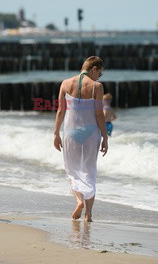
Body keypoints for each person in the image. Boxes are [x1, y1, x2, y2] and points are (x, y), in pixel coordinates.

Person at [53, 56, 108, 222]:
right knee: (89, 172)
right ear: (93, 69)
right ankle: (88, 215)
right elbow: (99, 113)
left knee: (72, 171)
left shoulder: (65, 83)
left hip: (70, 133)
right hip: (91, 134)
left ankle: (78, 201)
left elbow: (61, 111)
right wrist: (105, 136)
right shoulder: (96, 87)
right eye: (100, 73)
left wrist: (56, 133)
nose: (99, 77)